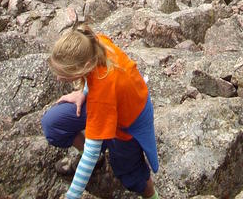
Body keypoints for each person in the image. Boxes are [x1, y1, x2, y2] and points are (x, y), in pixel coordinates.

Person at [41, 23, 159, 199]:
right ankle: (100, 159)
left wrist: (71, 196)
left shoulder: (103, 93)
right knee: (54, 124)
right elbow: (96, 75)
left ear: (86, 65)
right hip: (109, 101)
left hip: (128, 122)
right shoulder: (92, 43)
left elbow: (91, 151)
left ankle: (152, 196)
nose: (59, 79)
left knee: (130, 174)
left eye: (65, 75)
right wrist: (83, 92)